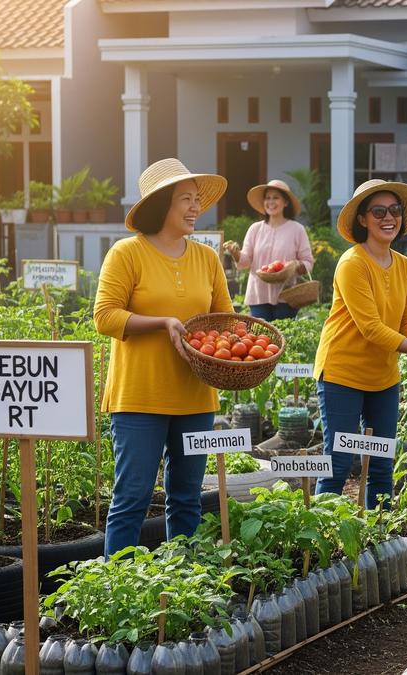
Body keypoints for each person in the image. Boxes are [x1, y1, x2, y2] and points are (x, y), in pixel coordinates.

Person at [93, 158, 232, 557]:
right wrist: (162, 323)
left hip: (194, 396)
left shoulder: (206, 258)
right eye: (184, 200)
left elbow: (225, 318)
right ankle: (115, 587)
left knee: (187, 497)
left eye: (196, 200)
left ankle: (182, 581)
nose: (194, 208)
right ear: (160, 206)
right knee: (132, 498)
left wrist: (236, 344)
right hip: (139, 395)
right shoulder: (127, 253)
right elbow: (104, 316)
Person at [313, 180, 407, 507]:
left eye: (394, 210)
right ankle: (319, 540)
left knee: (381, 462)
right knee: (338, 460)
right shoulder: (353, 263)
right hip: (342, 373)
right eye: (378, 211)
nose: (388, 217)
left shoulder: (405, 265)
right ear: (362, 219)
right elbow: (371, 328)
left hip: (383, 377)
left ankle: (380, 534)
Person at [222, 179, 314, 321]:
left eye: (276, 197)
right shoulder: (255, 229)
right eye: (267, 198)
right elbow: (245, 262)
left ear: (286, 202)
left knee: (284, 337)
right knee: (260, 340)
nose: (271, 202)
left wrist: (295, 265)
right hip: (258, 295)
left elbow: (308, 262)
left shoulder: (297, 229)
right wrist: (236, 253)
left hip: (287, 296)